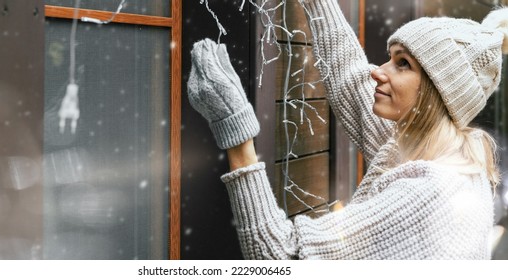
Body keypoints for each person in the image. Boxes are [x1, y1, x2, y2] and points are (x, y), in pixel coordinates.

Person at [187, 0, 508, 259]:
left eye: (402, 63)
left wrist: (236, 129)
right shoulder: (432, 150)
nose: (378, 72)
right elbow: (351, 79)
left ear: (440, 91)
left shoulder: (428, 195)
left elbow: (282, 259)